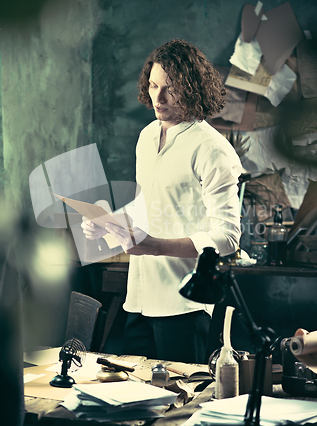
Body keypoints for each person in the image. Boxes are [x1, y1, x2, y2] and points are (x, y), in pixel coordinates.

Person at [82, 39, 242, 363]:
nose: (159, 97)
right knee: (135, 403)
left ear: (193, 88)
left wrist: (153, 245)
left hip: (184, 305)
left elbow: (227, 239)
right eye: (153, 85)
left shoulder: (212, 149)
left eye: (171, 88)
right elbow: (149, 205)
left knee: (182, 407)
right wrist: (108, 221)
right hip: (138, 299)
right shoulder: (146, 137)